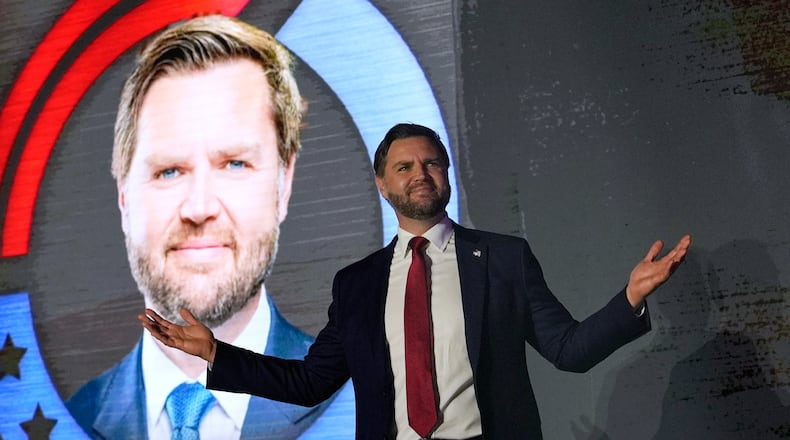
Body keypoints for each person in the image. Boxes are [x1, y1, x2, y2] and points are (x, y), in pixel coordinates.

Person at [140, 122, 692, 439]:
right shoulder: (356, 285)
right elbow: (311, 383)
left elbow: (568, 350)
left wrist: (630, 299)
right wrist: (217, 352)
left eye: (432, 163)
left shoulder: (501, 259)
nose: (420, 174)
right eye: (404, 167)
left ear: (447, 175)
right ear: (383, 185)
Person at [66, 15, 354, 439]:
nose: (199, 208)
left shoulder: (362, 399)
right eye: (168, 171)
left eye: (234, 164)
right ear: (124, 196)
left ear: (284, 184)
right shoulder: (61, 420)